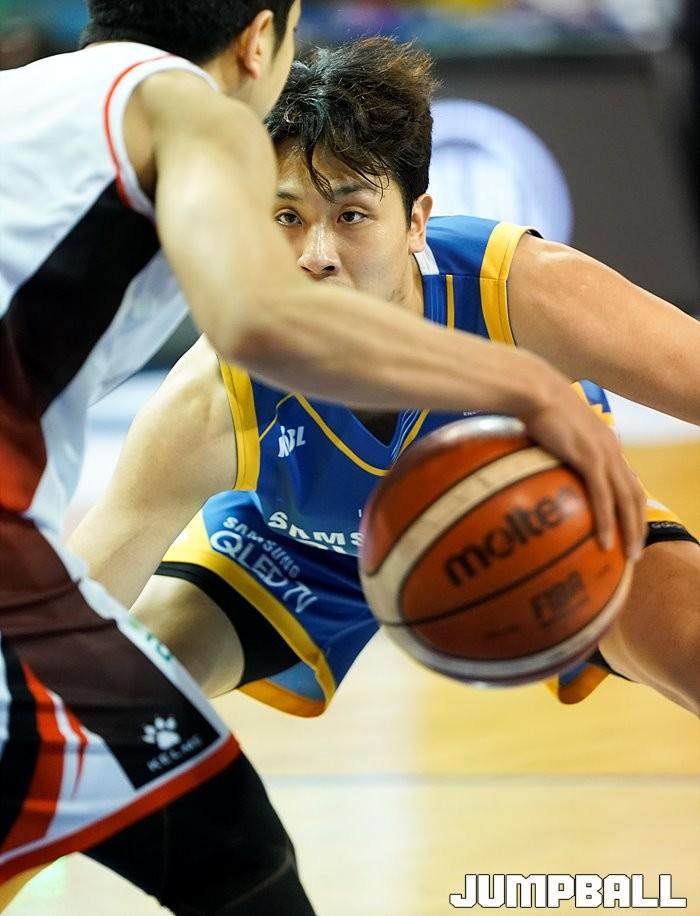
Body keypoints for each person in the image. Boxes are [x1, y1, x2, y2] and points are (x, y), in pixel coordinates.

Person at [0, 0, 646, 911]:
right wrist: (532, 387)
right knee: (238, 864)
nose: (312, 249)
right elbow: (262, 321)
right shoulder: (197, 113)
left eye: (347, 216)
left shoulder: (25, 98)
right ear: (260, 39)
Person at [69, 38, 700, 728]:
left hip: (539, 514)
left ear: (416, 222)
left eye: (351, 216)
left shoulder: (519, 289)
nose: (316, 255)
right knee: (109, 705)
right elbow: (62, 614)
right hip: (296, 548)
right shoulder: (216, 395)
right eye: (287, 217)